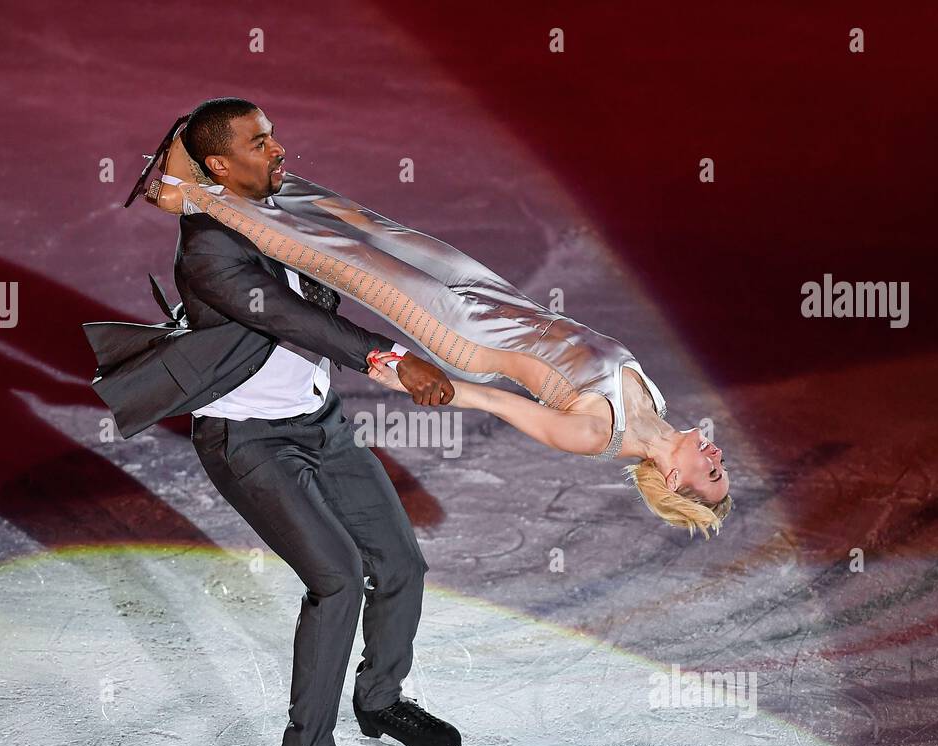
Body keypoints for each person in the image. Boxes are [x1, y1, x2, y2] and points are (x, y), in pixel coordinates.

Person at [134, 103, 733, 540]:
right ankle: (253, 182)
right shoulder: (651, 402)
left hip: (465, 334)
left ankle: (190, 194)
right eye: (723, 468)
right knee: (372, 226)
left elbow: (495, 403)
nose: (717, 459)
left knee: (346, 259)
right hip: (504, 303)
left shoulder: (597, 437)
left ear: (675, 479)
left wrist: (403, 369)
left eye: (712, 476)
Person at [115, 98, 466, 746]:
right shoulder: (208, 250)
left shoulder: (280, 206)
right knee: (337, 579)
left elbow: (351, 260)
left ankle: (380, 701)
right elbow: (290, 316)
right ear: (220, 165)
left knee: (400, 562)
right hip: (248, 440)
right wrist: (390, 358)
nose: (279, 150)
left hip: (321, 424)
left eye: (273, 136)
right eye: (258, 142)